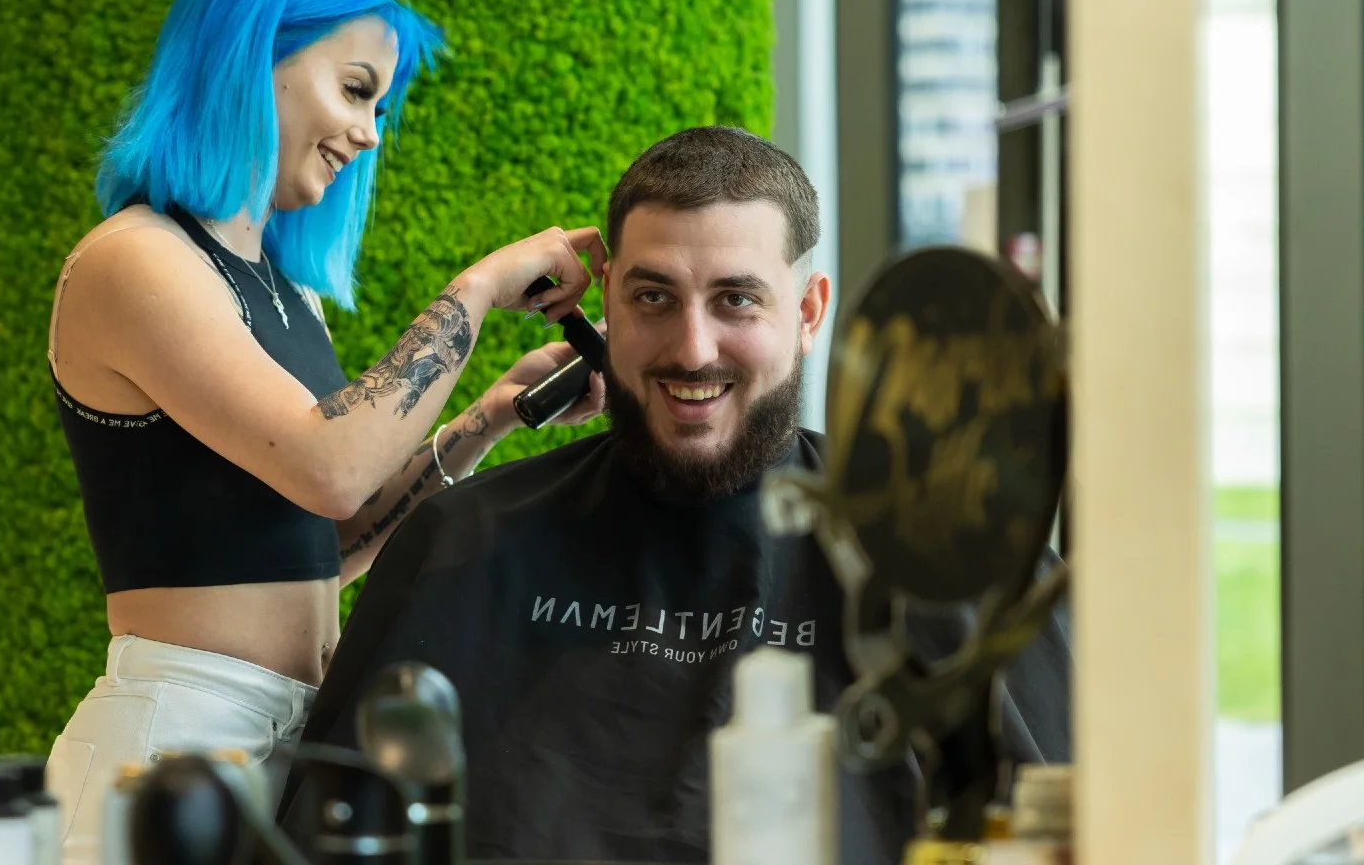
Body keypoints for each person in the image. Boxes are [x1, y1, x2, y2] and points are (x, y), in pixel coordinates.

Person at [282, 127, 1072, 864]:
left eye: (736, 300)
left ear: (807, 312)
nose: (693, 350)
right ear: (607, 305)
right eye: (654, 298)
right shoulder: (466, 541)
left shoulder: (946, 557)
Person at [42, 0, 608, 861]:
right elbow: (331, 466)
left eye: (379, 104)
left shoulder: (282, 292)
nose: (369, 132)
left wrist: (489, 417)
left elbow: (325, 544)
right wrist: (474, 291)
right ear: (251, 55)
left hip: (292, 742)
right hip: (179, 746)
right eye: (354, 90)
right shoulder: (132, 260)